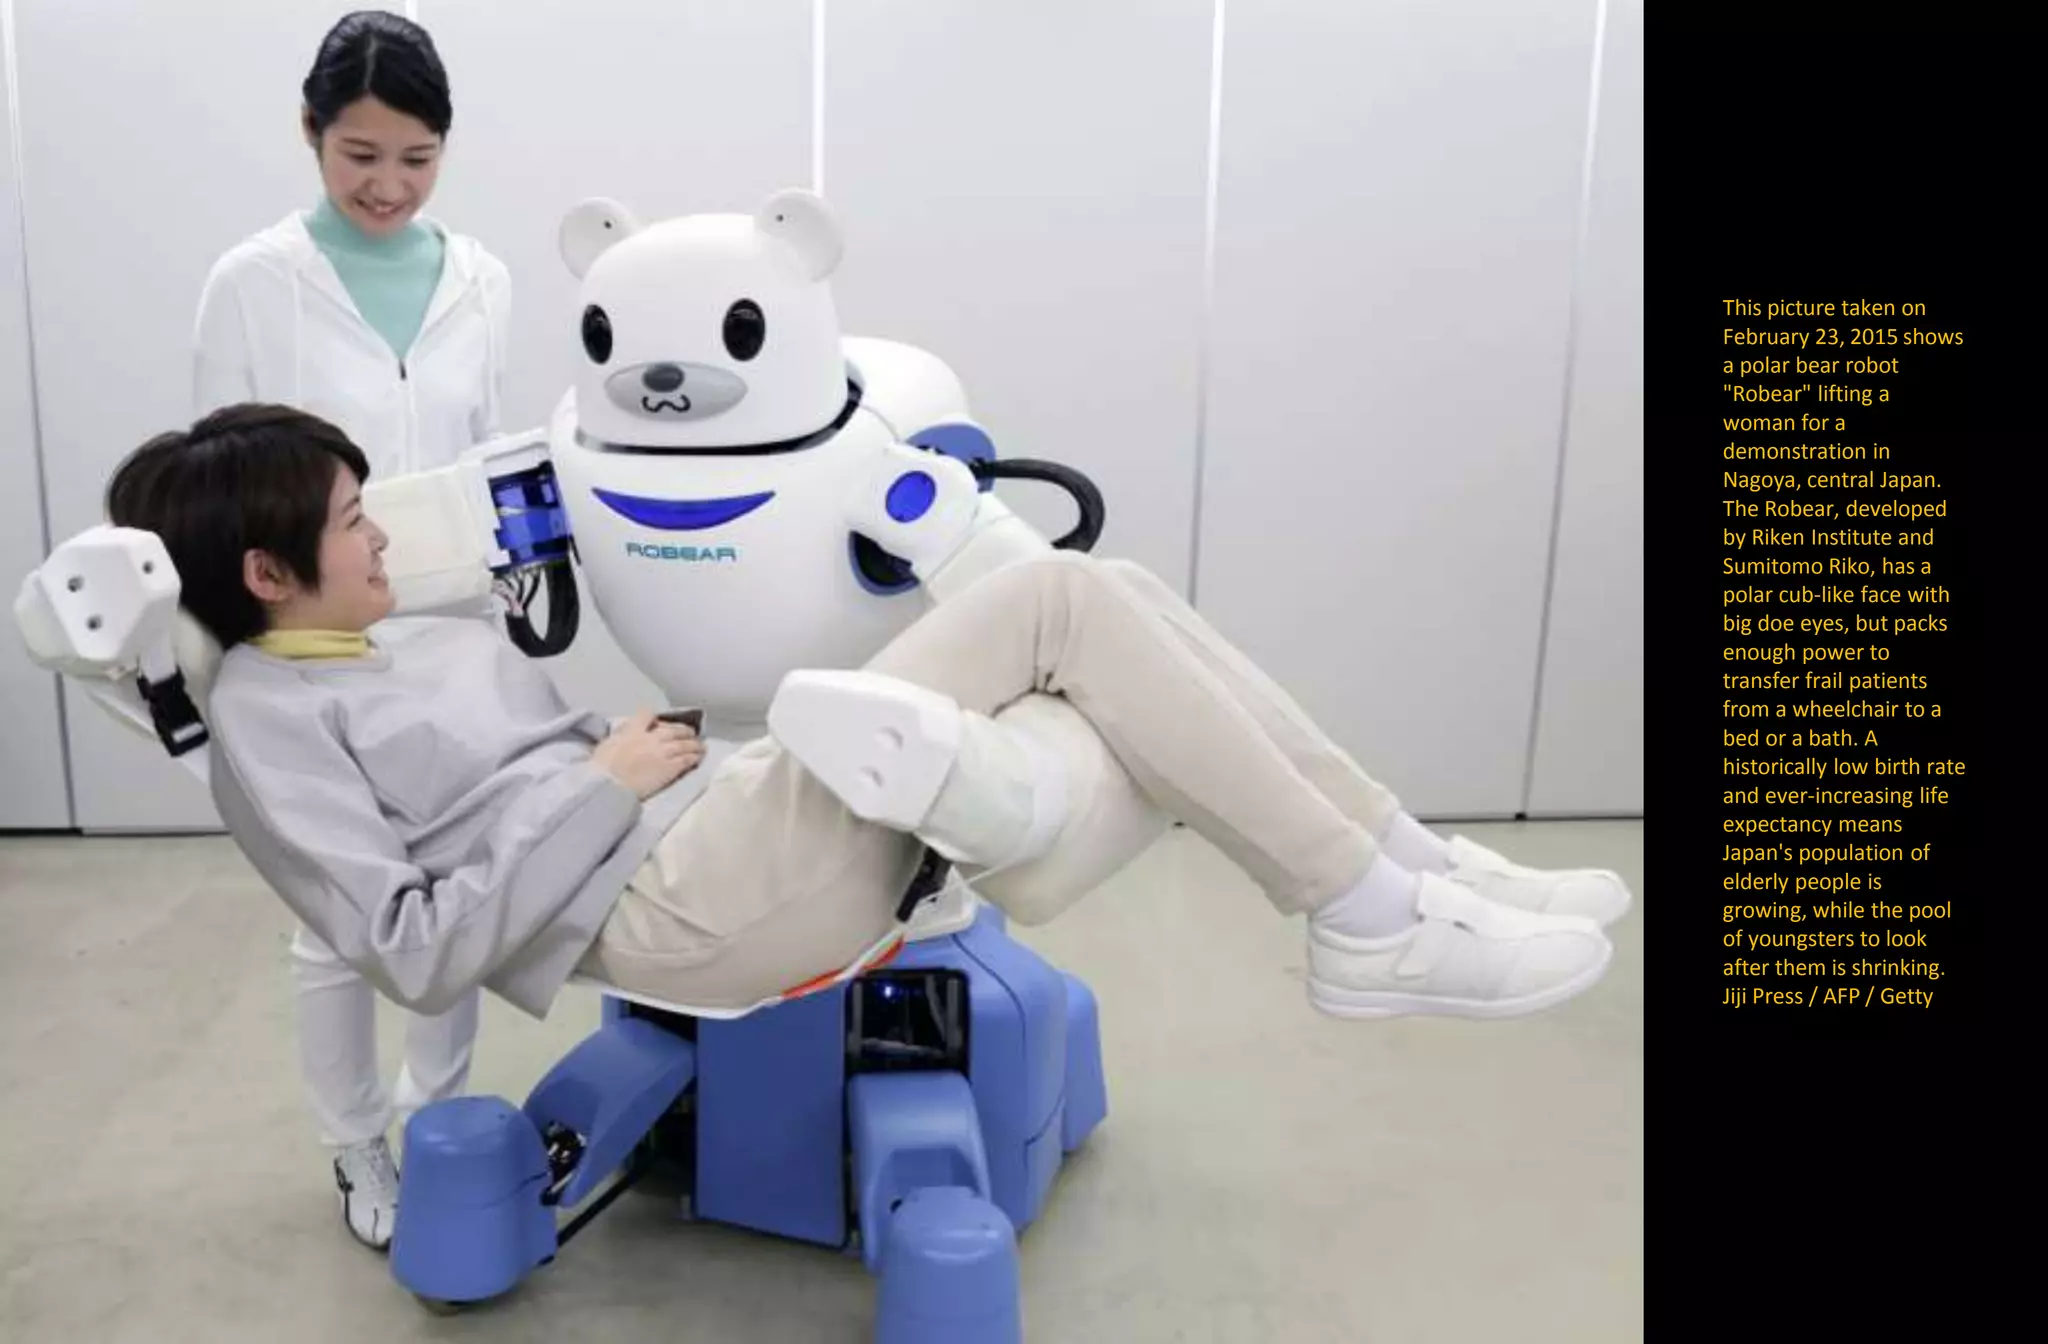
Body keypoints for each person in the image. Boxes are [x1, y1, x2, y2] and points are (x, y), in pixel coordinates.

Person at [110, 407, 1632, 1124]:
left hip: (703, 817)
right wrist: (608, 786)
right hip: (683, 905)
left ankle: (1403, 864)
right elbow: (412, 956)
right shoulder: (267, 728)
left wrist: (661, 761)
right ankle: (1365, 913)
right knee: (1059, 599)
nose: (379, 532)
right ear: (262, 571)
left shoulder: (391, 627)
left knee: (1125, 595)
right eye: (350, 518)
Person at [189, 12, 511, 1250]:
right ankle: (355, 1142)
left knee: (465, 890)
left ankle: (445, 1121)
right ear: (311, 133)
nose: (386, 185)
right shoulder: (254, 282)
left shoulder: (483, 279)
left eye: (416, 159)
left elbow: (486, 456)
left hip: (454, 626)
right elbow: (218, 479)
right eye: (359, 154)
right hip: (308, 642)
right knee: (338, 914)